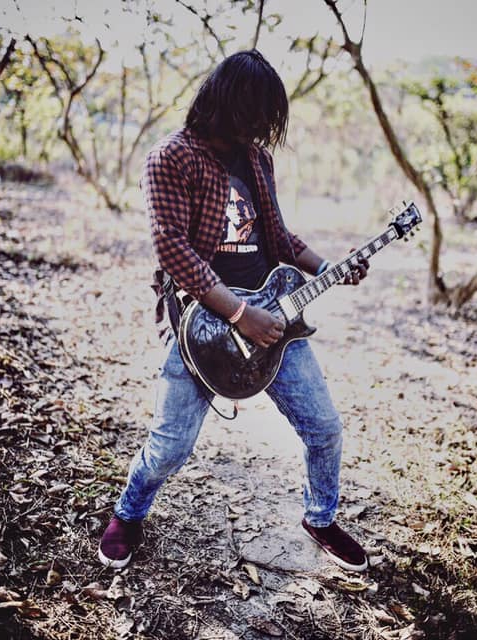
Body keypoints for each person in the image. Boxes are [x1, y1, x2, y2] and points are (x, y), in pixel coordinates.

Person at [98, 49, 370, 572]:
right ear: (228, 104)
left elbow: (278, 236)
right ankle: (129, 513)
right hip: (202, 326)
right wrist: (240, 315)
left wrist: (327, 267)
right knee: (171, 446)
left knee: (324, 427)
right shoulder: (171, 157)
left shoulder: (257, 159)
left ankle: (320, 518)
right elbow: (173, 250)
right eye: (256, 115)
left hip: (274, 317)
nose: (262, 129)